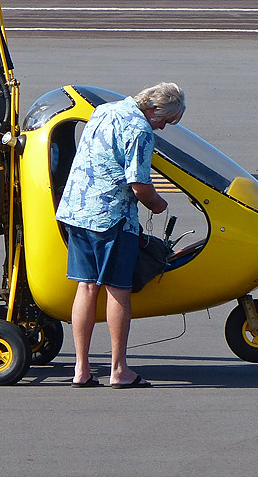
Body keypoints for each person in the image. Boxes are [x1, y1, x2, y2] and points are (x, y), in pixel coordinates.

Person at [55, 82, 186, 389]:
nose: (163, 127)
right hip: (110, 219)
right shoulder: (141, 129)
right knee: (118, 291)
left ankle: (81, 368)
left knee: (86, 288)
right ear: (153, 109)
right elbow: (139, 185)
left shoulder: (104, 111)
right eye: (165, 120)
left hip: (76, 212)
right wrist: (159, 204)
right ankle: (118, 369)